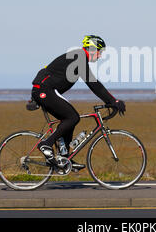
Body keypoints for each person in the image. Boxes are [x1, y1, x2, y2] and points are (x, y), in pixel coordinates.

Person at [31, 35, 126, 170]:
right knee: (72, 117)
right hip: (46, 90)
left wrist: (34, 95)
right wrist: (113, 101)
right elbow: (93, 84)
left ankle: (64, 157)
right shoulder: (79, 57)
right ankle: (46, 144)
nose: (100, 56)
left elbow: (47, 70)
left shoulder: (77, 57)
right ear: (92, 49)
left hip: (45, 90)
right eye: (100, 51)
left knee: (70, 119)